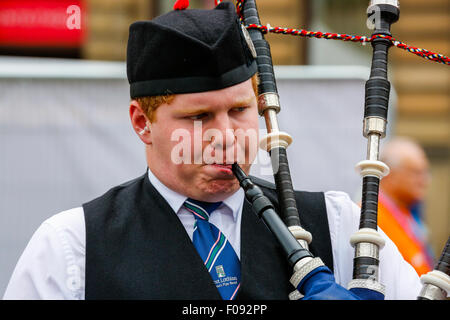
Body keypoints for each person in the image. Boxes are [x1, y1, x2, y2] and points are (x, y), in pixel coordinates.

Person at [3, 2, 421, 300]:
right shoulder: (72, 247)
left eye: (240, 110)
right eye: (199, 116)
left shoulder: (338, 226)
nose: (227, 135)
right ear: (141, 122)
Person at [378, 137, 435, 276]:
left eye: (426, 172)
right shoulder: (369, 216)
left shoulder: (408, 212)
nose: (425, 181)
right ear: (389, 174)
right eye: (417, 173)